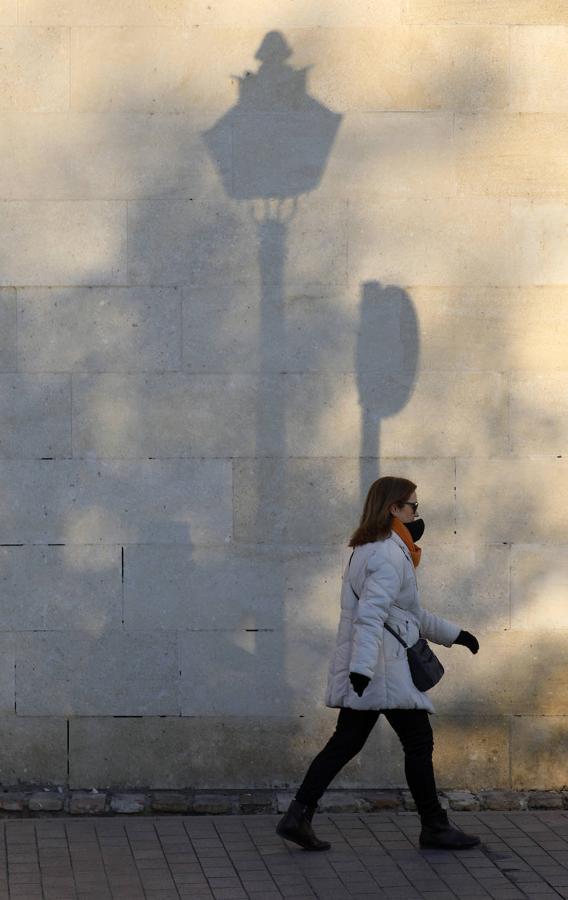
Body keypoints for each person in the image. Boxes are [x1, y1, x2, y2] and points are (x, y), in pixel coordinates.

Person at [277, 476, 481, 851]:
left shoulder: (376, 549)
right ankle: (434, 826)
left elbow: (408, 614)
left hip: (374, 667)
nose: (418, 514)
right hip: (382, 669)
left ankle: (297, 816)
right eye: (413, 507)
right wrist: (363, 669)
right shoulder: (388, 554)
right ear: (394, 509)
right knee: (417, 741)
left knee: (345, 743)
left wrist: (456, 635)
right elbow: (370, 616)